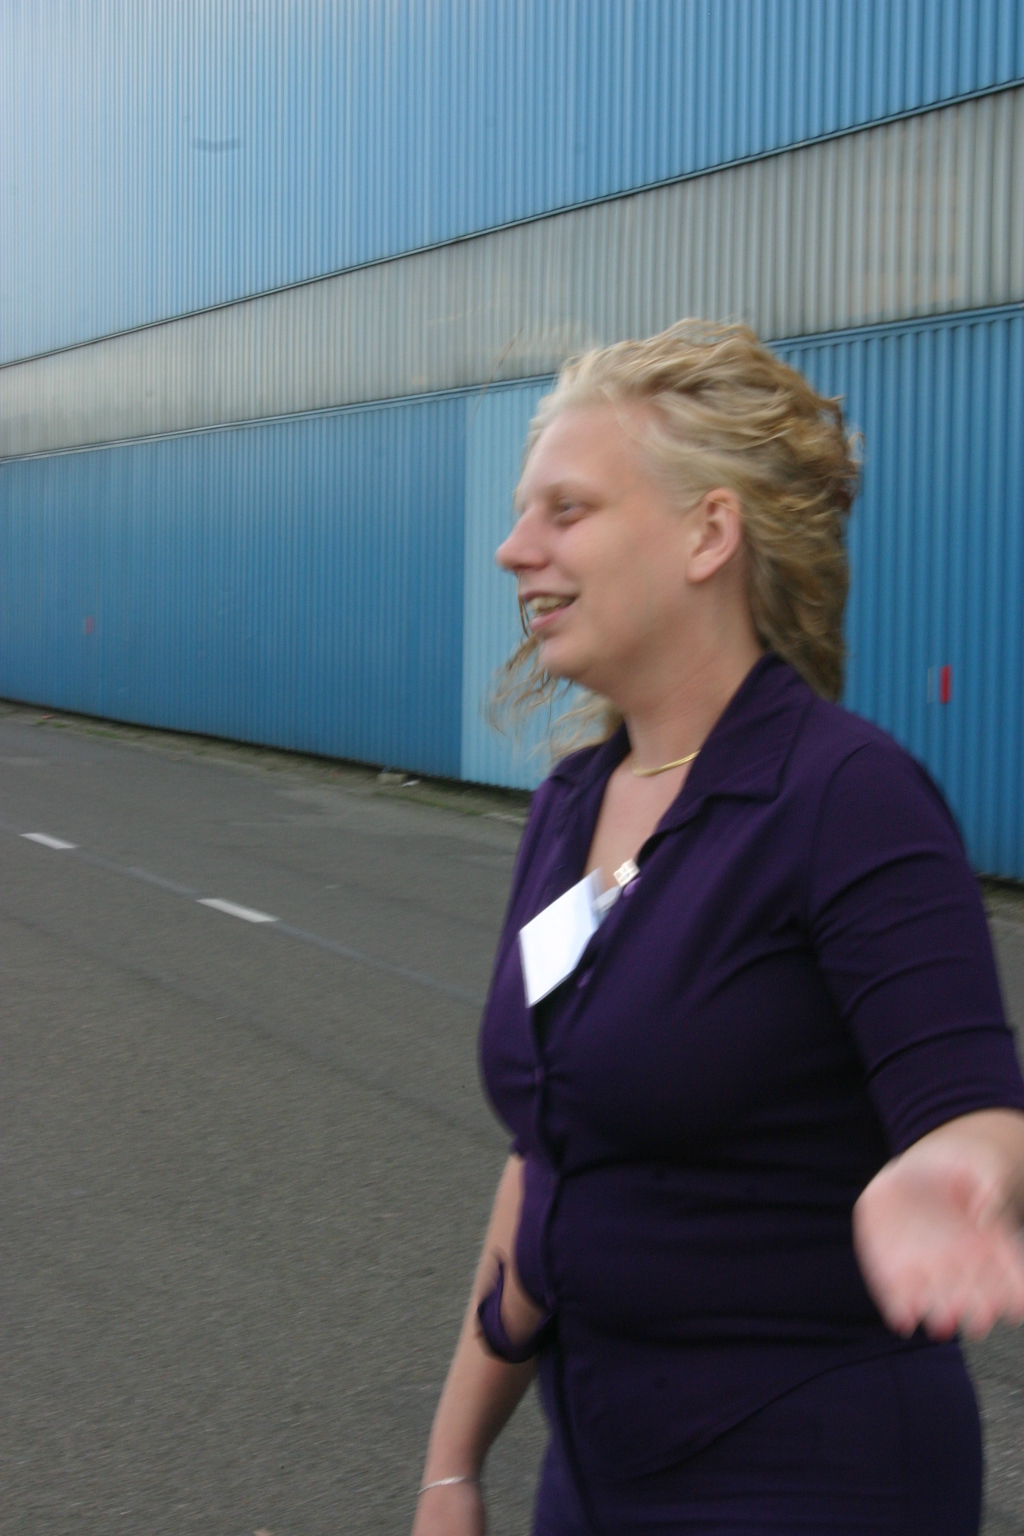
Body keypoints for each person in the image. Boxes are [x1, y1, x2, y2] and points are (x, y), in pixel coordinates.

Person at [411, 321, 1024, 1536]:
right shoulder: (570, 807)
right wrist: (453, 1464)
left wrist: (959, 1168)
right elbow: (548, 1156)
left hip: (812, 1477)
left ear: (708, 534)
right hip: (595, 1475)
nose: (513, 548)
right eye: (523, 513)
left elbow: (970, 1106)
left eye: (566, 510)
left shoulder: (844, 796)